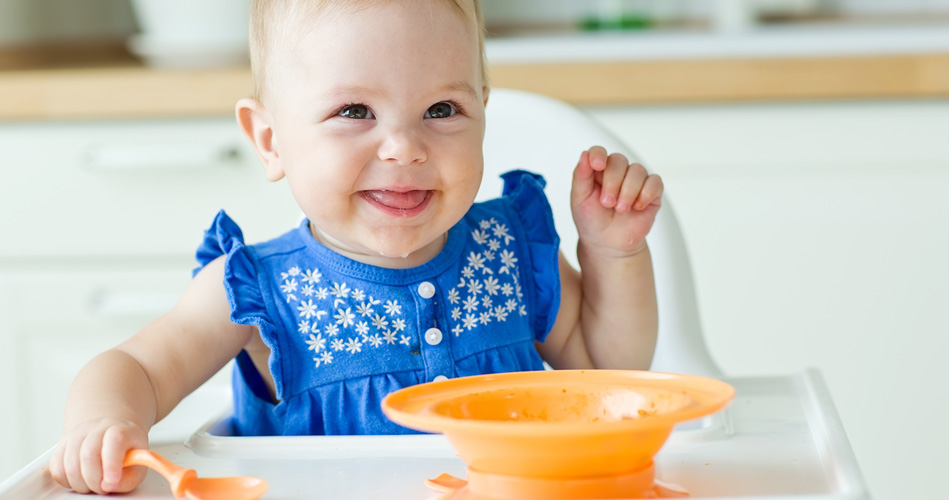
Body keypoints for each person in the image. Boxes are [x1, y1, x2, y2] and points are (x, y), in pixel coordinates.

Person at [48, 0, 664, 494]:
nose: (404, 146)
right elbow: (134, 368)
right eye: (355, 110)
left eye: (442, 109)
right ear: (270, 140)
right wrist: (103, 424)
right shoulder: (254, 291)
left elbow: (607, 366)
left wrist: (613, 254)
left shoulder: (509, 250)